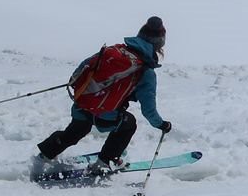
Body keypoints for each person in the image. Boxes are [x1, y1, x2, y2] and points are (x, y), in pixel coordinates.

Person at [32, 16, 172, 178]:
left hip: (82, 103)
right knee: (128, 124)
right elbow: (148, 110)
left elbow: (81, 70)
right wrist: (161, 124)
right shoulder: (145, 71)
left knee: (76, 131)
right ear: (159, 44)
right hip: (105, 114)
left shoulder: (114, 51)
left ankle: (44, 156)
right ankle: (104, 163)